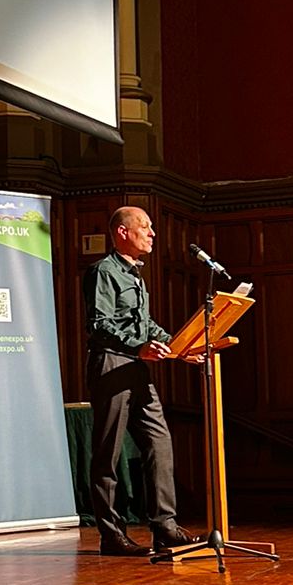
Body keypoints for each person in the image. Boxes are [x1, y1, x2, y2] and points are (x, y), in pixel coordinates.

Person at [83, 206, 199, 559]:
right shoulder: (103, 271)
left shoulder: (137, 276)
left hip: (137, 368)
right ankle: (111, 535)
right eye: (145, 227)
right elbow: (99, 324)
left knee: (159, 443)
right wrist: (139, 346)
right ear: (122, 233)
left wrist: (182, 348)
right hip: (112, 365)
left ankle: (165, 527)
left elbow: (146, 326)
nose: (152, 234)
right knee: (109, 453)